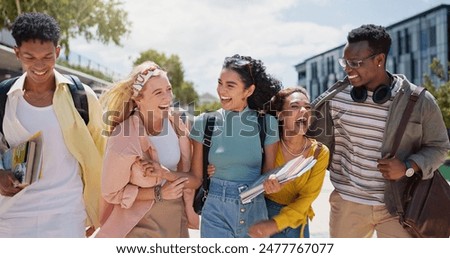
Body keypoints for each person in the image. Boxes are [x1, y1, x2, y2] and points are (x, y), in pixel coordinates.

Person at [310, 24, 450, 237]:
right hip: (348, 204)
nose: (347, 68)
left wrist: (407, 167)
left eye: (355, 63)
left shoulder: (419, 101)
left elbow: (439, 147)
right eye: (344, 62)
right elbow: (309, 138)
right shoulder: (335, 98)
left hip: (399, 207)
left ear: (379, 60)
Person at [0, 12, 105, 237]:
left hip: (66, 215)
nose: (39, 65)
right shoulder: (3, 97)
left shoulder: (82, 97)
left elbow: (102, 151)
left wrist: (98, 210)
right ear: (17, 52)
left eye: (47, 56)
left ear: (57, 51)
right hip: (12, 217)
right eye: (29, 57)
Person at [96, 61, 201, 238]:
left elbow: (193, 179)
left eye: (168, 89)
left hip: (176, 221)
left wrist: (166, 175)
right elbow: (111, 193)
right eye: (158, 92)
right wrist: (158, 193)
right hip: (140, 225)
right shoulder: (124, 135)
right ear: (138, 99)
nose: (167, 98)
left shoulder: (178, 125)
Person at [189, 54, 281, 238]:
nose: (222, 90)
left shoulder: (267, 124)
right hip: (215, 210)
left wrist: (273, 183)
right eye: (220, 83)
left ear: (249, 90)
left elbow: (269, 172)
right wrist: (164, 175)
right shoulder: (204, 123)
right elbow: (196, 177)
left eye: (230, 85)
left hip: (254, 211)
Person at [247, 87, 330, 238]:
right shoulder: (268, 145)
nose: (304, 110)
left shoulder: (319, 152)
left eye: (307, 107)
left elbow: (307, 197)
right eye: (295, 106)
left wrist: (276, 224)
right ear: (280, 114)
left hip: (297, 221)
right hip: (263, 216)